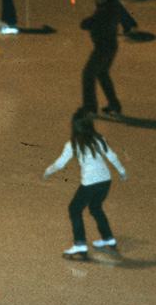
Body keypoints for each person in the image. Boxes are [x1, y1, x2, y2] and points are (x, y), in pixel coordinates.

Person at [43, 108, 127, 258]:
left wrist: (48, 171)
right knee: (95, 208)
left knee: (74, 209)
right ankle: (108, 238)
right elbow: (112, 156)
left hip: (90, 183)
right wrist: (122, 171)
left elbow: (60, 164)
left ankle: (80, 244)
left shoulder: (73, 144)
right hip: (105, 181)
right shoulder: (99, 139)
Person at [79, 0, 123, 116]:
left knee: (88, 75)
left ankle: (90, 108)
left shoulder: (103, 11)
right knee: (102, 73)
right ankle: (114, 104)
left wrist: (87, 22)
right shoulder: (112, 7)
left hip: (103, 48)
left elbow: (86, 24)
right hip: (111, 46)